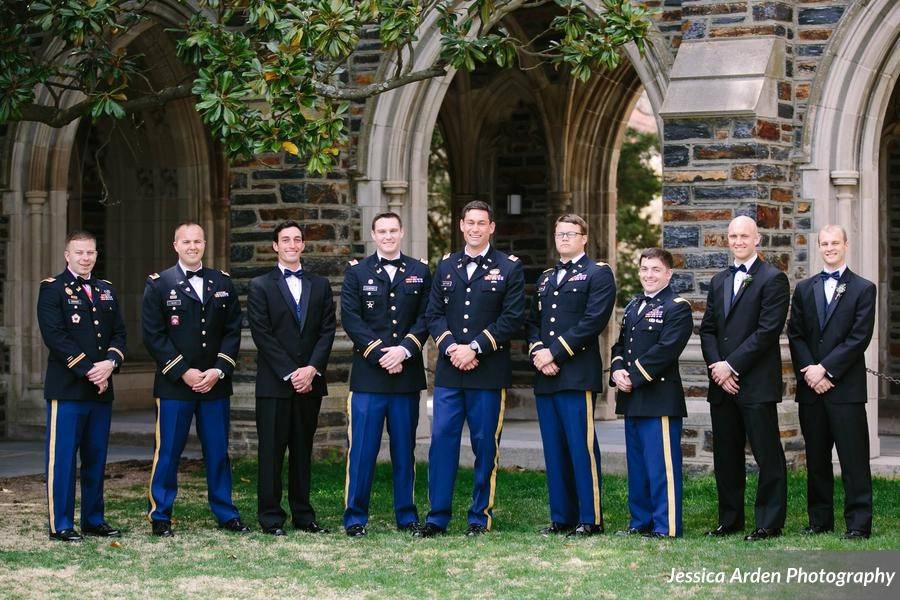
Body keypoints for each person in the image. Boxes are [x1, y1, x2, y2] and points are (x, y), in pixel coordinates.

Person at [418, 200, 525, 537]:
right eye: (470, 223)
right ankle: (437, 517)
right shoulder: (447, 265)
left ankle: (480, 517)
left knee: (484, 446)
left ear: (491, 227)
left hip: (487, 373)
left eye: (482, 223)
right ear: (461, 225)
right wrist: (451, 347)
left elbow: (512, 317)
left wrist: (475, 347)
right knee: (441, 444)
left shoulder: (509, 267)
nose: (476, 228)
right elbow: (433, 313)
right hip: (451, 372)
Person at [142, 221, 248, 537]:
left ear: (204, 244)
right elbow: (153, 335)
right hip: (175, 384)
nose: (192, 246)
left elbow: (233, 331)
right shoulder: (159, 284)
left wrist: (218, 370)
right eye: (186, 242)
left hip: (215, 384)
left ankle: (226, 512)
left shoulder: (223, 282)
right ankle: (160, 514)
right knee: (168, 451)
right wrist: (183, 371)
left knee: (217, 452)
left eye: (197, 241)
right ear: (175, 245)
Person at [340, 212, 432, 537]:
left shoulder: (420, 271)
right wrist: (381, 353)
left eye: (393, 230)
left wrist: (405, 350)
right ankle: (355, 518)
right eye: (382, 231)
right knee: (362, 450)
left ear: (402, 232)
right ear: (373, 234)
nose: (388, 236)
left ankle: (406, 516)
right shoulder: (357, 272)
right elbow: (351, 318)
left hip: (405, 375)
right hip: (369, 376)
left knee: (404, 451)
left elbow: (426, 315)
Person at [699, 215, 790, 541]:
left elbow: (767, 333)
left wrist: (731, 366)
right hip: (722, 385)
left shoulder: (773, 279)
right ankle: (730, 519)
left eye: (744, 236)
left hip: (755, 383)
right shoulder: (720, 279)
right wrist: (717, 369)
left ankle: (768, 522)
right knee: (726, 455)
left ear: (757, 240)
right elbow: (707, 330)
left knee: (767, 455)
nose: (738, 241)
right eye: (733, 236)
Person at [525, 214, 616, 537]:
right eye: (559, 233)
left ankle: (590, 518)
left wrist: (555, 353)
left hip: (576, 373)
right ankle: (561, 516)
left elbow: (594, 321)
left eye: (570, 233)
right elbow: (533, 321)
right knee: (554, 449)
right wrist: (539, 352)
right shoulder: (547, 278)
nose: (563, 238)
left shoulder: (598, 274)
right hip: (546, 374)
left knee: (581, 447)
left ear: (584, 238)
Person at [247, 220, 336, 536]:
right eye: (285, 240)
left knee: (302, 452)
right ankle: (271, 518)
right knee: (271, 454)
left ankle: (304, 515)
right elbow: (263, 335)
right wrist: (291, 372)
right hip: (275, 384)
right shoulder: (259, 286)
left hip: (310, 383)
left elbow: (327, 331)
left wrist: (311, 369)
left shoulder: (320, 285)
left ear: (302, 245)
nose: (292, 245)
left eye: (297, 240)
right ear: (275, 246)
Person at [787, 224, 876, 540]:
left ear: (846, 245)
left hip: (845, 390)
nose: (829, 248)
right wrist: (810, 371)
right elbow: (795, 334)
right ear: (819, 247)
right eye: (824, 243)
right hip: (811, 391)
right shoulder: (804, 288)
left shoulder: (863, 289)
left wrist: (826, 370)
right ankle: (819, 520)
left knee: (854, 460)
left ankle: (858, 523)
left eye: (834, 242)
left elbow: (858, 338)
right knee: (817, 459)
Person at [37, 230, 126, 541]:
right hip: (69, 389)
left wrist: (110, 364)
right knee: (62, 458)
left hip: (101, 391)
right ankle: (60, 523)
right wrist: (91, 371)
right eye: (79, 252)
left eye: (90, 252)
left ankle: (93, 519)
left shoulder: (106, 290)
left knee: (96, 456)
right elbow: (55, 337)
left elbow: (119, 334)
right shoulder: (52, 289)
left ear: (96, 255)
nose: (85, 258)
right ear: (67, 255)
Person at [610, 248, 692, 539]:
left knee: (661, 468)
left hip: (659, 399)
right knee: (639, 467)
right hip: (632, 398)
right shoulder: (634, 305)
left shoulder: (677, 307)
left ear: (668, 274)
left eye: (655, 269)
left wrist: (632, 377)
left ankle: (665, 526)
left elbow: (665, 351)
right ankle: (640, 522)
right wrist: (617, 371)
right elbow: (619, 346)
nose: (648, 275)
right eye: (644, 269)